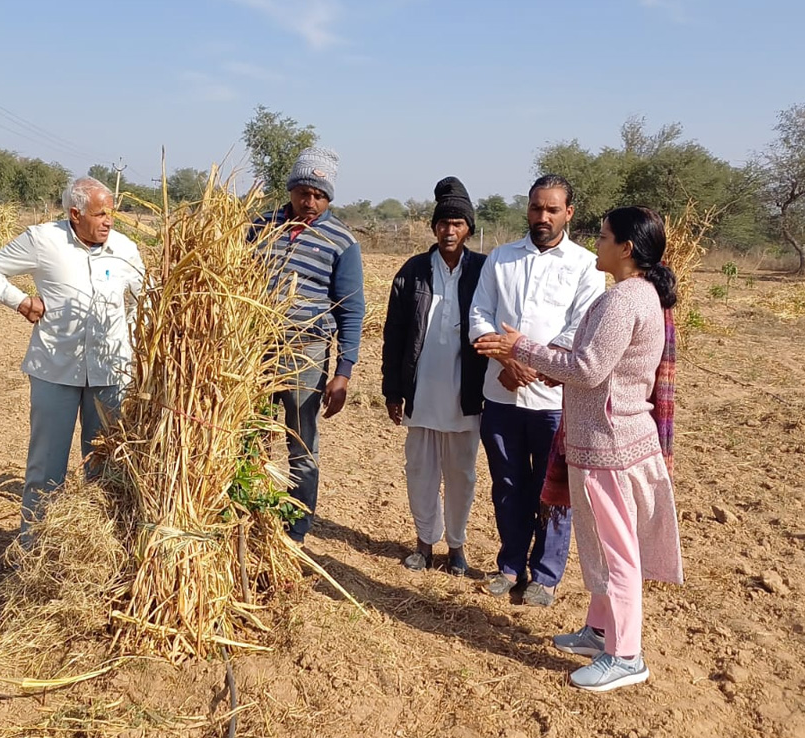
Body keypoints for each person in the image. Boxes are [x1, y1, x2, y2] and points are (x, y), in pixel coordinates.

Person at [474, 205, 683, 692]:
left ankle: (626, 654)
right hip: (604, 440)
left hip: (610, 444)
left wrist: (520, 348)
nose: (597, 244)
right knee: (598, 542)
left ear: (626, 249)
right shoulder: (636, 294)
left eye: (605, 236)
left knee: (616, 552)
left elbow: (588, 369)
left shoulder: (624, 300)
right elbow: (589, 364)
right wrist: (548, 360)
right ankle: (599, 630)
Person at [0, 176, 145, 540]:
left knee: (105, 465)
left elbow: (143, 300)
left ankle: (101, 548)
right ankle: (33, 548)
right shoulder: (43, 240)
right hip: (54, 370)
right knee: (45, 468)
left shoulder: (125, 249)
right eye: (100, 214)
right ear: (75, 213)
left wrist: (127, 341)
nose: (108, 221)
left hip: (111, 374)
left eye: (111, 213)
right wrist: (20, 300)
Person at [467, 174, 605, 606]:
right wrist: (505, 361)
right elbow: (479, 315)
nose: (541, 217)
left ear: (569, 213)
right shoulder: (501, 258)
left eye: (551, 209)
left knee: (554, 490)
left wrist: (529, 360)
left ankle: (545, 576)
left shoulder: (586, 265)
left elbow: (578, 329)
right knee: (508, 485)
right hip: (501, 393)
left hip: (554, 400)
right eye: (535, 208)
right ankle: (510, 566)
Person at [252, 147, 365, 543]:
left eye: (319, 195)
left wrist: (343, 372)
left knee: (301, 441)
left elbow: (352, 311)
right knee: (250, 437)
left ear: (329, 197)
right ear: (291, 189)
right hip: (252, 350)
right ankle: (251, 514)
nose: (310, 202)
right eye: (303, 192)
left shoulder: (342, 241)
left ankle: (295, 528)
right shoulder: (261, 227)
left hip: (307, 353)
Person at [381, 177, 488, 575]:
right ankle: (424, 542)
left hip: (466, 395)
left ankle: (456, 546)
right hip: (421, 392)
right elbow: (393, 336)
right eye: (443, 222)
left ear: (468, 229)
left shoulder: (483, 271)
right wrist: (392, 390)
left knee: (461, 473)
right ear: (434, 228)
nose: (449, 230)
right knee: (421, 470)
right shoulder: (412, 271)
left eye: (458, 223)